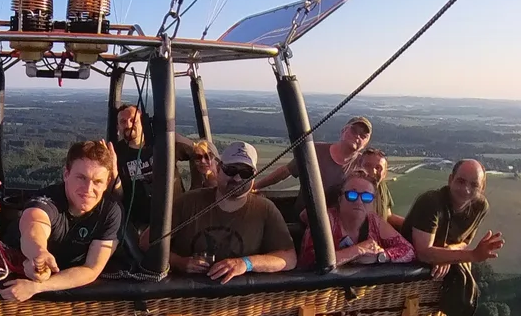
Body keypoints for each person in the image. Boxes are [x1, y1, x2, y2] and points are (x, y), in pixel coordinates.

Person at [1, 140, 123, 301]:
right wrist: (38, 253)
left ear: (107, 183)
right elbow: (34, 225)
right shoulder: (47, 202)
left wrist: (38, 287)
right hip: (13, 267)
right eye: (81, 178)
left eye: (97, 182)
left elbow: (92, 269)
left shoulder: (110, 210)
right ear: (66, 174)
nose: (88, 189)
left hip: (58, 280)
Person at [168, 142, 297, 283]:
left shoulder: (265, 209)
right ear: (218, 169)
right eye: (231, 170)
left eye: (245, 173)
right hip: (186, 295)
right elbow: (148, 243)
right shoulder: (188, 202)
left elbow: (288, 258)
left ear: (254, 176)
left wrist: (246, 263)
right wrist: (179, 262)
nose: (237, 178)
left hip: (239, 299)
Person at [404, 159, 504, 316]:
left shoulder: (479, 207)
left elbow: (464, 241)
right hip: (408, 275)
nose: (466, 189)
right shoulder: (431, 202)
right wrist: (472, 256)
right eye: (461, 181)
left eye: (474, 185)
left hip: (436, 282)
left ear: (482, 188)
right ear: (450, 180)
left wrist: (449, 252)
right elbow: (423, 253)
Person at [110, 103, 205, 226]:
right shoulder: (116, 153)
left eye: (133, 120)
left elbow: (197, 151)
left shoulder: (166, 141)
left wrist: (196, 187)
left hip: (176, 216)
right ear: (118, 127)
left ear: (143, 122)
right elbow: (118, 194)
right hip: (138, 222)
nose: (128, 125)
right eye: (123, 122)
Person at [302, 169, 415, 268]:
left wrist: (381, 256)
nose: (359, 201)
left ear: (372, 203)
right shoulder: (327, 221)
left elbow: (408, 250)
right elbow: (310, 260)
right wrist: (359, 250)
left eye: (366, 197)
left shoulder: (374, 222)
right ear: (340, 198)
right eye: (352, 195)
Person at [253, 114, 375, 203]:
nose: (358, 136)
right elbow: (286, 171)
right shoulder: (314, 151)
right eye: (354, 131)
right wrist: (256, 186)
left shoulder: (362, 164)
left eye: (363, 135)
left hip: (336, 224)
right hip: (304, 217)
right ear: (343, 131)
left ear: (367, 143)